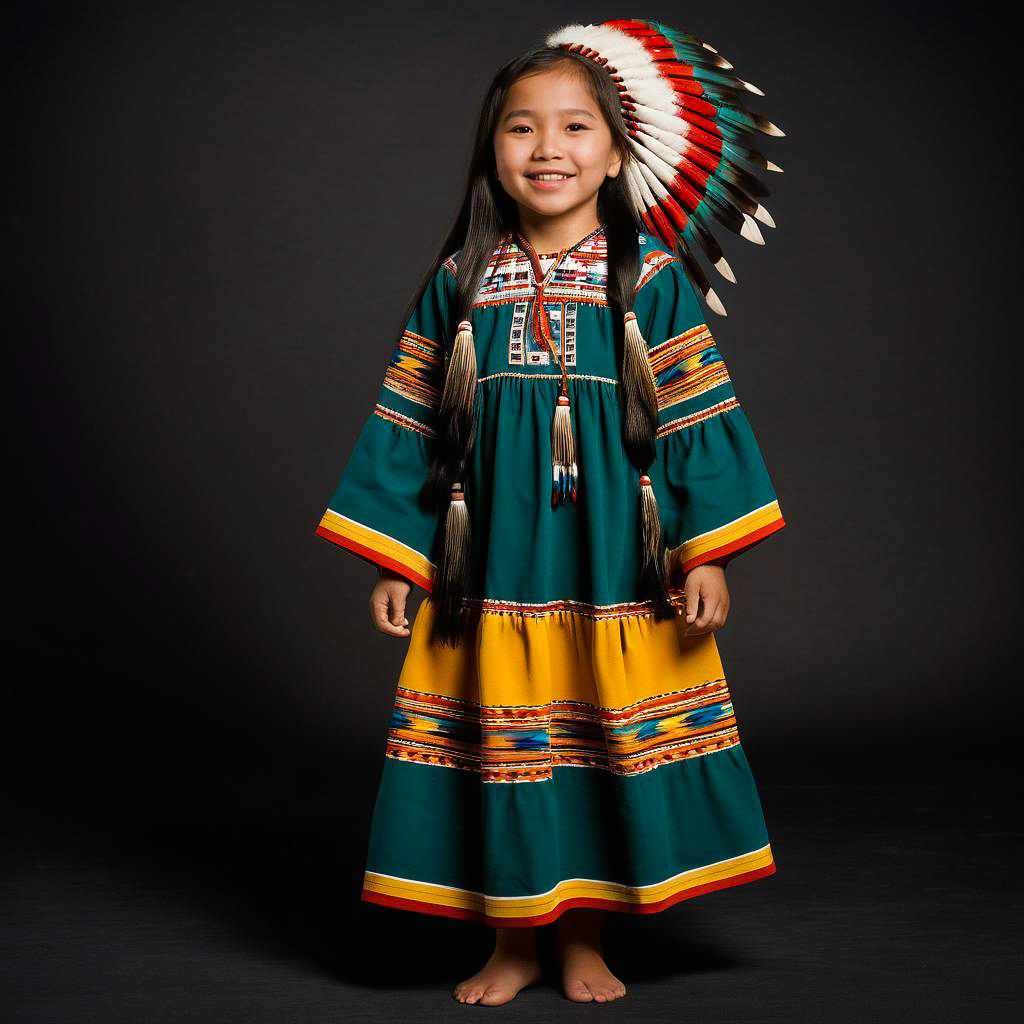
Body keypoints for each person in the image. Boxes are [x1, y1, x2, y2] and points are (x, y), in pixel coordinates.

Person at [314, 18, 787, 1006]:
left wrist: (706, 557)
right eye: (521, 128)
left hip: (614, 562)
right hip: (489, 567)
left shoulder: (648, 283)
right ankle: (515, 940)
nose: (547, 148)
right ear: (492, 149)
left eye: (574, 128)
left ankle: (583, 938)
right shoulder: (460, 283)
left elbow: (701, 418)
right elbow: (409, 422)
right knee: (505, 738)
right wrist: (400, 558)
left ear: (615, 155)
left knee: (600, 731)